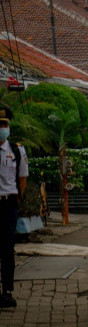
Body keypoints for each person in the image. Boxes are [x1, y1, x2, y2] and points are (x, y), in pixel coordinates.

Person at [0, 107, 27, 308]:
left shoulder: (16, 150)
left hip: (8, 204)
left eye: (5, 125)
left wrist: (18, 199)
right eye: (0, 125)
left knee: (8, 249)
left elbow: (22, 178)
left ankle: (7, 292)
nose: (3, 128)